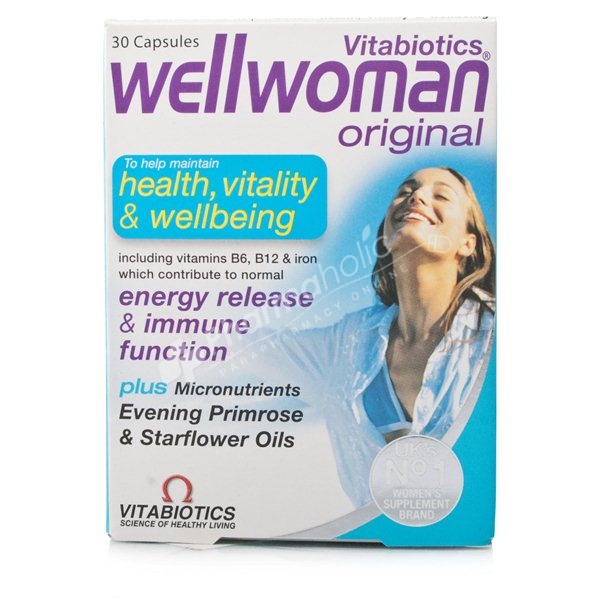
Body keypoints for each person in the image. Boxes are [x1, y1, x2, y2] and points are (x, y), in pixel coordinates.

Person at [234, 166, 495, 508]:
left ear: (467, 243)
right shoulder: (346, 343)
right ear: (385, 237)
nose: (416, 197)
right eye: (405, 191)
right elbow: (242, 345)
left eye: (442, 195)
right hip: (371, 540)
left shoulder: (494, 336)